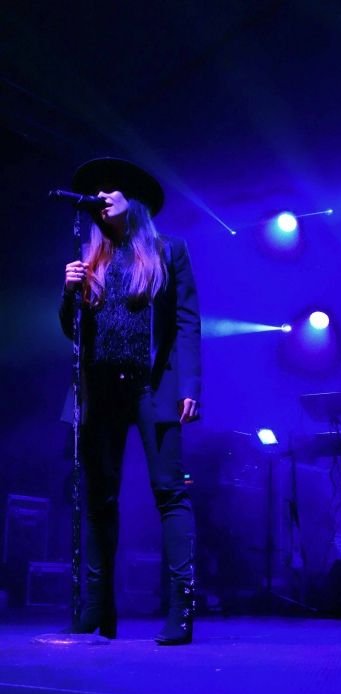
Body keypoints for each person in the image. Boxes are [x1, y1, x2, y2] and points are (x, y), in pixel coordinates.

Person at [59, 157, 201, 644]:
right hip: (100, 389)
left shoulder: (169, 251)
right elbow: (72, 331)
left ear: (132, 200)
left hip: (151, 386)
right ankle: (96, 609)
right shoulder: (89, 257)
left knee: (170, 492)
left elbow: (186, 321)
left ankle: (182, 608)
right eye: (96, 192)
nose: (101, 197)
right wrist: (69, 293)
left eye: (110, 190)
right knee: (99, 496)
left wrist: (189, 385)